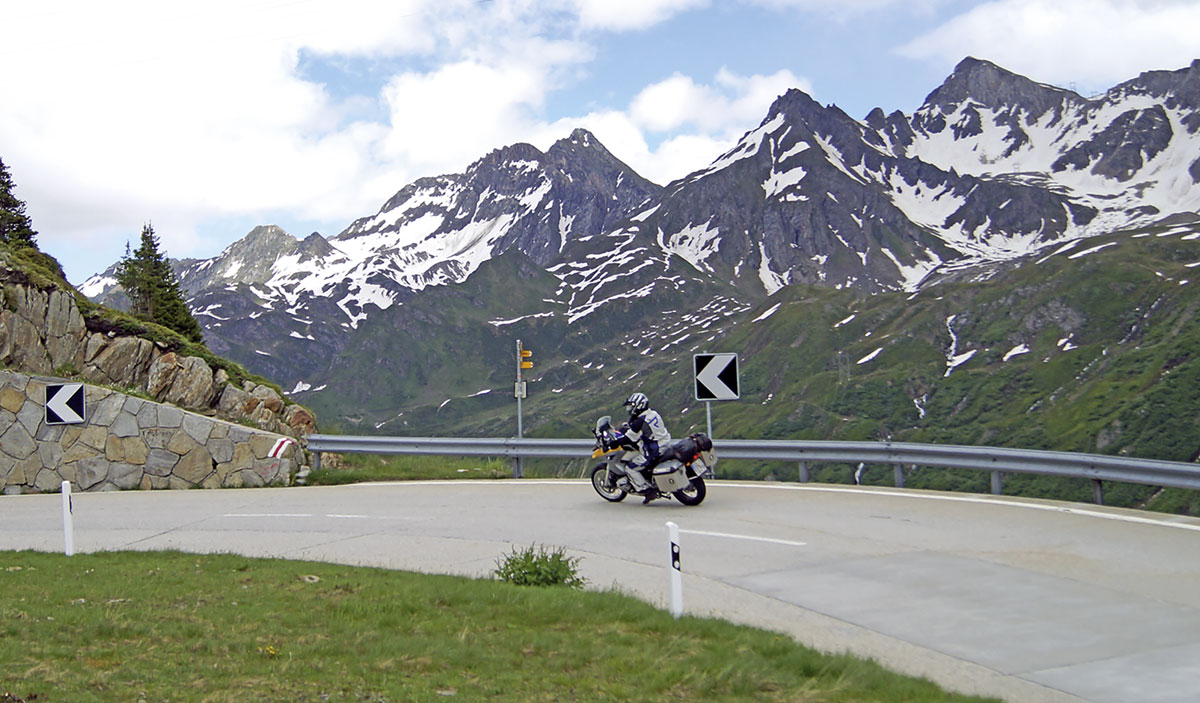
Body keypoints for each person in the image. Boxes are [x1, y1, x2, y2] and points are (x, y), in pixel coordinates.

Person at [618, 392, 672, 496]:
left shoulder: (640, 421)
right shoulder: (653, 413)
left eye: (631, 406)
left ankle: (645, 490)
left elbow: (629, 438)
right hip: (665, 443)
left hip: (655, 450)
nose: (629, 409)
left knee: (630, 468)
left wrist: (615, 442)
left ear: (638, 405)